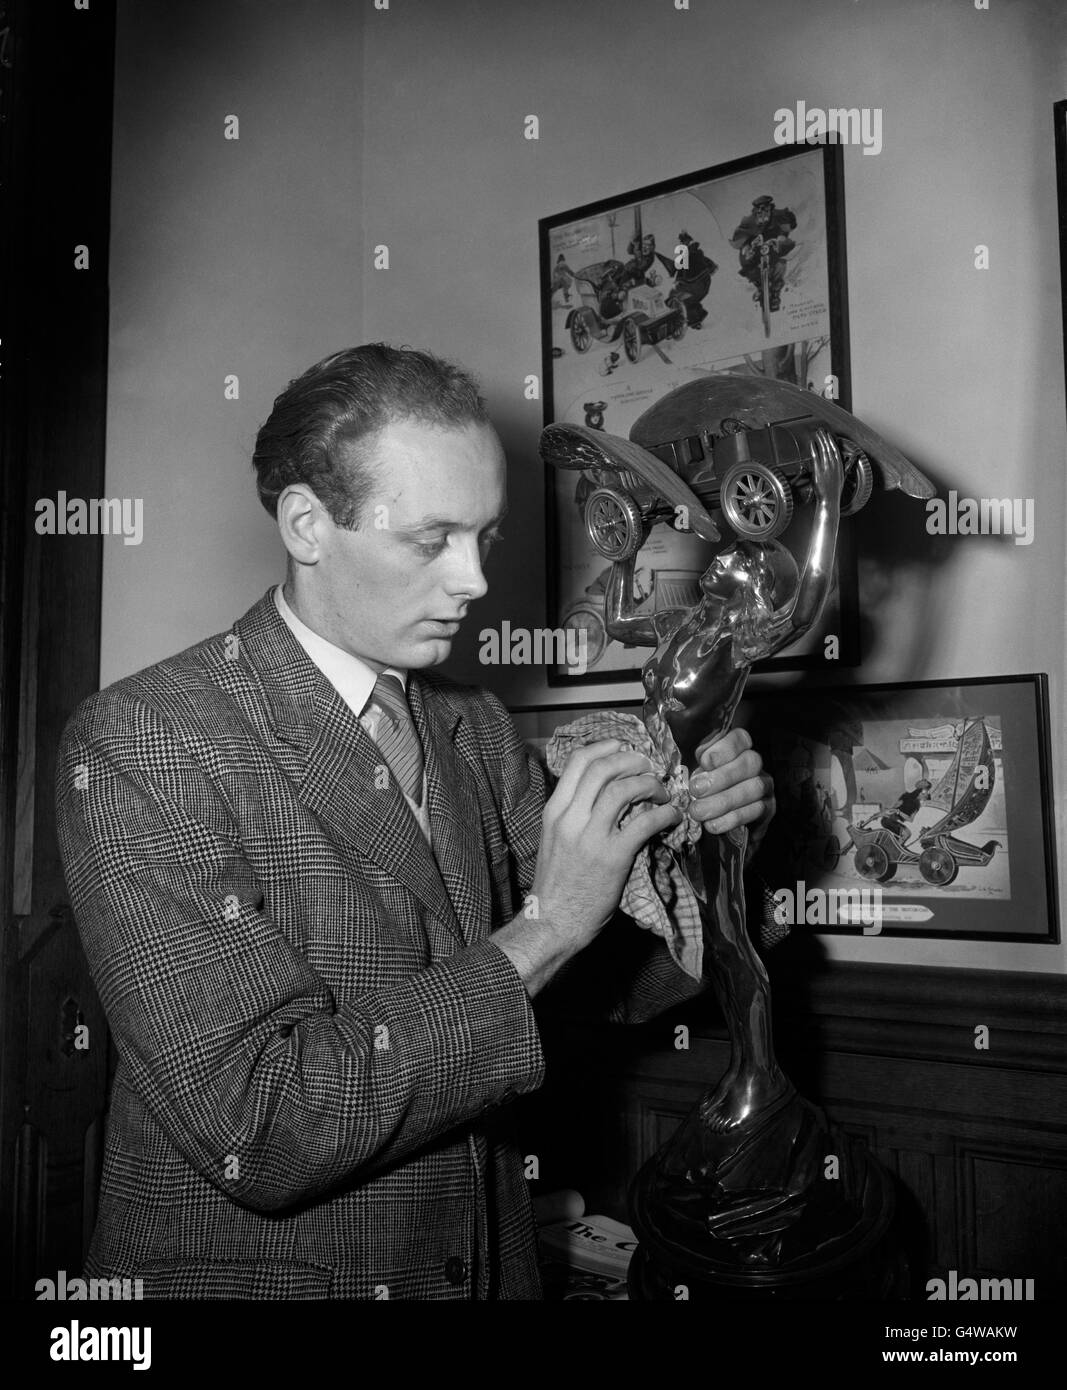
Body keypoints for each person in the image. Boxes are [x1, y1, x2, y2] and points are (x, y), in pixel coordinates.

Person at [54, 344, 772, 1301]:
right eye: (431, 540)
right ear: (307, 524)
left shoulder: (468, 725)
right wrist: (547, 924)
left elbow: (599, 991)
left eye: (486, 537)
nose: (473, 581)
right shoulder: (147, 739)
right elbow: (261, 1128)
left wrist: (707, 853)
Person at [730, 194, 797, 313]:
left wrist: (779, 239)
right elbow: (738, 240)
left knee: (780, 265)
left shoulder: (779, 215)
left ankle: (775, 293)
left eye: (766, 209)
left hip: (774, 247)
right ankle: (760, 287)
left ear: (770, 208)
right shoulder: (748, 221)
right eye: (759, 210)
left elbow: (789, 228)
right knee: (747, 262)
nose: (762, 213)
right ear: (755, 211)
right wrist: (748, 247)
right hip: (756, 251)